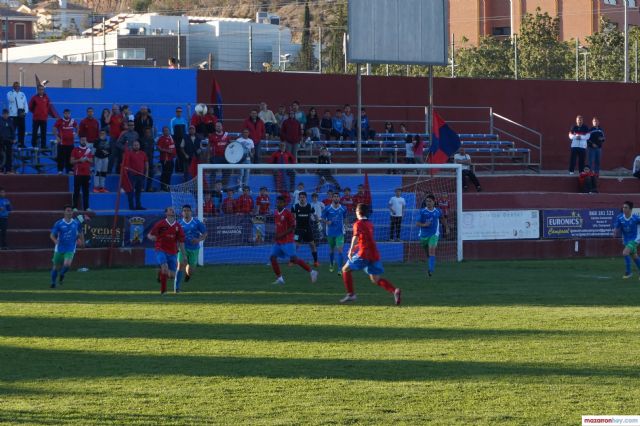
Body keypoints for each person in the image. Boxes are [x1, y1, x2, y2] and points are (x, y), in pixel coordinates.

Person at [340, 203, 401, 305]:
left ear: (358, 212)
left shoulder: (357, 224)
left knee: (345, 269)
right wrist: (355, 247)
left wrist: (351, 250)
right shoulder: (370, 223)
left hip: (364, 253)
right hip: (374, 254)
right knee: (375, 279)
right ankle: (394, 291)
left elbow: (355, 237)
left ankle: (351, 294)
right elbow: (364, 239)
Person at [269, 195, 318, 285]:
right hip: (279, 242)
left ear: (284, 204)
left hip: (288, 241)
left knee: (294, 259)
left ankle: (312, 272)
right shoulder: (276, 213)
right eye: (277, 202)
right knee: (272, 257)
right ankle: (280, 279)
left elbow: (293, 227)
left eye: (280, 202)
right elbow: (279, 226)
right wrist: (276, 235)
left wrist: (281, 235)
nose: (278, 204)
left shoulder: (287, 213)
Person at [148, 207, 187, 294]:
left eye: (173, 209)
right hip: (160, 249)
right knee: (165, 267)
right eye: (170, 209)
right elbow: (149, 235)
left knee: (172, 275)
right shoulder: (160, 224)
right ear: (166, 213)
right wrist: (152, 238)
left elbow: (181, 241)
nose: (172, 210)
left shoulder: (178, 226)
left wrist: (184, 255)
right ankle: (163, 291)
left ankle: (160, 271)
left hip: (173, 252)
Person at [49, 205, 84, 288]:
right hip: (60, 247)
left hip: (70, 247)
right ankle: (53, 283)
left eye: (71, 211)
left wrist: (81, 241)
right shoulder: (59, 223)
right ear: (64, 212)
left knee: (67, 264)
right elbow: (52, 235)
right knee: (55, 267)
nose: (69, 212)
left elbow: (80, 233)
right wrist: (55, 240)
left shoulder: (76, 223)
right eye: (68, 210)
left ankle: (62, 274)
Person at [174, 204, 207, 293]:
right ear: (182, 213)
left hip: (194, 249)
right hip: (183, 247)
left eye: (188, 210)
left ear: (191, 212)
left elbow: (204, 234)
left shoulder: (197, 222)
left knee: (190, 271)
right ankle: (176, 288)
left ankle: (188, 275)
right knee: (180, 266)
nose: (186, 212)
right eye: (184, 210)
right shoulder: (178, 223)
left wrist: (198, 239)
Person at [417, 194, 446, 278]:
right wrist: (424, 224)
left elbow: (442, 218)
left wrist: (446, 227)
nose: (428, 203)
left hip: (434, 235)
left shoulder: (438, 211)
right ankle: (430, 262)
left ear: (434, 202)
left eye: (430, 201)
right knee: (428, 253)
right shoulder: (422, 211)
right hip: (423, 235)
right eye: (427, 201)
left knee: (432, 251)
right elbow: (417, 223)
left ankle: (430, 270)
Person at [321, 192, 348, 274]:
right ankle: (332, 264)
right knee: (331, 251)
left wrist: (346, 225)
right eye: (334, 197)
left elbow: (345, 218)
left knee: (340, 250)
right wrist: (327, 222)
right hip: (330, 233)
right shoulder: (327, 208)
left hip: (340, 233)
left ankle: (340, 269)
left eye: (337, 196)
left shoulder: (343, 208)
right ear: (332, 198)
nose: (336, 198)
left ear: (339, 198)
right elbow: (322, 218)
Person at [613, 201, 640, 279]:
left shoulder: (635, 218)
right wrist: (615, 231)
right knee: (635, 257)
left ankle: (628, 272)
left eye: (626, 207)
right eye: (623, 207)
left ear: (630, 209)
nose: (624, 209)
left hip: (635, 239)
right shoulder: (620, 217)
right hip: (626, 240)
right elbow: (616, 227)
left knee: (625, 252)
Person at [292, 192, 319, 267]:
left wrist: (318, 222)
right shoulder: (295, 207)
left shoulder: (310, 206)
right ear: (298, 198)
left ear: (306, 198)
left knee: (312, 245)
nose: (302, 198)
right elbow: (292, 218)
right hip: (298, 229)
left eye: (303, 197)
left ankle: (316, 261)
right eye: (301, 197)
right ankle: (292, 261)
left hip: (308, 229)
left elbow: (315, 215)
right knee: (295, 245)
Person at [28, 84, 56, 149]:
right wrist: (35, 112)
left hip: (44, 118)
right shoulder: (34, 98)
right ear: (37, 90)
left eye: (42, 89)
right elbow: (30, 107)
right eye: (40, 89)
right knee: (34, 132)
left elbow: (48, 107)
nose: (41, 91)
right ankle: (34, 145)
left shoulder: (46, 98)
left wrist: (46, 113)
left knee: (43, 133)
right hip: (36, 118)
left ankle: (43, 146)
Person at [70, 137, 94, 211]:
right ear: (80, 141)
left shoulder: (89, 150)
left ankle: (86, 207)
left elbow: (92, 161)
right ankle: (74, 207)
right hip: (78, 173)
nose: (84, 141)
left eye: (85, 140)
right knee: (76, 191)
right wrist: (79, 160)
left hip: (86, 174)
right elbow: (71, 161)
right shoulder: (75, 149)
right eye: (82, 140)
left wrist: (87, 159)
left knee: (86, 192)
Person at [125, 140, 148, 210]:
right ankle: (131, 206)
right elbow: (126, 165)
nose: (136, 146)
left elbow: (146, 163)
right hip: (132, 175)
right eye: (135, 145)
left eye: (137, 145)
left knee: (138, 191)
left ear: (139, 146)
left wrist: (146, 173)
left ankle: (138, 205)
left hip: (140, 175)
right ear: (132, 146)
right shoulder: (129, 153)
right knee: (130, 191)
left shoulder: (143, 153)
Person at [53, 109, 78, 174]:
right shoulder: (60, 121)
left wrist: (76, 134)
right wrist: (56, 136)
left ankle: (69, 170)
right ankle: (60, 170)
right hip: (62, 143)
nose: (67, 114)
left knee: (70, 157)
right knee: (60, 157)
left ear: (70, 114)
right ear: (63, 114)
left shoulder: (72, 121)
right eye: (66, 113)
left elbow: (78, 127)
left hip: (70, 143)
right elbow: (54, 128)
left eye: (68, 113)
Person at [209, 121, 231, 188]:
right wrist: (209, 156)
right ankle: (212, 187)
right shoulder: (212, 136)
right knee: (213, 173)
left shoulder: (226, 135)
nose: (218, 127)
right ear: (215, 127)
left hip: (225, 157)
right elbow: (209, 146)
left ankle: (224, 187)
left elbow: (230, 145)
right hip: (215, 157)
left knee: (226, 173)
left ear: (222, 127)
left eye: (219, 126)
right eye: (216, 126)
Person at [7, 82, 27, 148]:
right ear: (13, 87)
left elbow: (25, 104)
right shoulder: (10, 93)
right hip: (13, 115)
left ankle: (21, 143)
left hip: (21, 115)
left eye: (18, 86)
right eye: (15, 86)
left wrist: (25, 112)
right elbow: (11, 99)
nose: (17, 87)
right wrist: (15, 92)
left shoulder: (22, 94)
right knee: (12, 130)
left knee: (22, 130)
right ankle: (11, 143)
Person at [107, 104, 125, 173]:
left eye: (115, 109)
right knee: (113, 154)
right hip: (113, 138)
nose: (114, 110)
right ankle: (109, 170)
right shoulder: (111, 116)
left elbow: (124, 125)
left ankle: (118, 170)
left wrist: (124, 115)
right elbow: (107, 122)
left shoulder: (121, 116)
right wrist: (110, 113)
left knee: (120, 155)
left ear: (118, 109)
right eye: (113, 109)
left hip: (120, 138)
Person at [157, 126, 176, 191]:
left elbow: (173, 147)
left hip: (171, 159)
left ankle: (167, 186)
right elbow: (159, 148)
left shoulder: (171, 138)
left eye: (167, 130)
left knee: (169, 173)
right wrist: (167, 150)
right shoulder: (161, 138)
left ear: (169, 131)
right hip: (165, 159)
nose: (166, 131)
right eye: (164, 130)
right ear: (163, 132)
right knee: (165, 173)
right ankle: (163, 187)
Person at [0, 109, 15, 174]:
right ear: (2, 114)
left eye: (7, 114)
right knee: (1, 155)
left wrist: (14, 139)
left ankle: (8, 170)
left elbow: (13, 131)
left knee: (9, 155)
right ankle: (1, 169)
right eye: (4, 114)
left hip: (9, 140)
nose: (5, 115)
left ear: (8, 114)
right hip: (1, 140)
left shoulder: (10, 121)